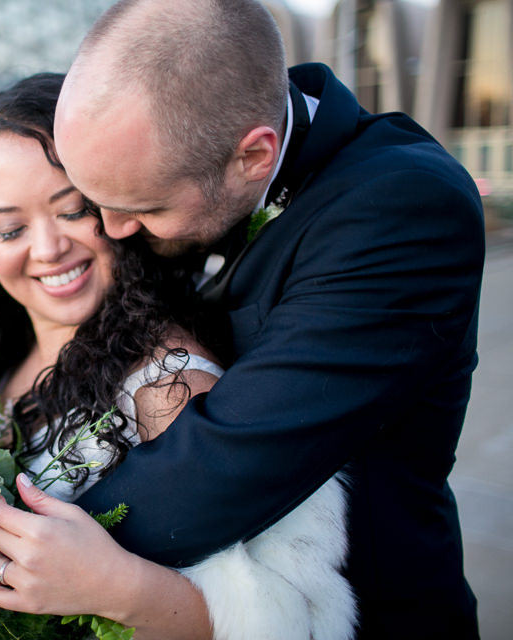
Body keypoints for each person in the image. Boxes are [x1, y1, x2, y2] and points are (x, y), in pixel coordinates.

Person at [47, 1, 484, 638]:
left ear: (255, 156)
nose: (112, 231)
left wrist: (26, 553)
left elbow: (231, 458)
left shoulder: (405, 207)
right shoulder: (174, 164)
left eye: (142, 206)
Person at [0, 72, 355, 640]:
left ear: (116, 199)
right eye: (11, 228)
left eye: (73, 211)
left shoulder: (169, 383)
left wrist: (114, 587)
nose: (47, 249)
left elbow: (294, 616)